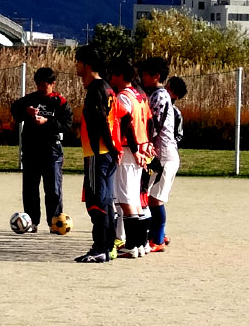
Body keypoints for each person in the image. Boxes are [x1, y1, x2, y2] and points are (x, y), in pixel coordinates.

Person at [10, 66, 73, 233]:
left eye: (45, 85)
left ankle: (55, 222)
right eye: (38, 84)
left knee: (53, 189)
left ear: (52, 84)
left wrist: (47, 122)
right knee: (30, 188)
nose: (41, 88)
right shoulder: (29, 99)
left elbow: (67, 124)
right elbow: (14, 111)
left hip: (52, 150)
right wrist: (26, 111)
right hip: (31, 149)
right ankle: (31, 222)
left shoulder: (60, 102)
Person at [74, 45, 120, 263]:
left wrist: (107, 147)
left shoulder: (96, 88)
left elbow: (100, 120)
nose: (75, 65)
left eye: (78, 61)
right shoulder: (108, 88)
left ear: (87, 64)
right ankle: (108, 246)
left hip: (98, 154)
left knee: (95, 201)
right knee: (105, 200)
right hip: (104, 153)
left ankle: (100, 247)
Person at [108, 61, 152, 259]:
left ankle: (132, 245)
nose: (111, 77)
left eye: (113, 73)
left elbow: (127, 125)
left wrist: (134, 150)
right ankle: (142, 244)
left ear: (120, 76)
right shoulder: (139, 95)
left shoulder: (123, 97)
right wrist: (147, 144)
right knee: (135, 199)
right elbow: (149, 121)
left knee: (126, 200)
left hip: (128, 150)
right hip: (140, 149)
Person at [140, 58, 180, 252]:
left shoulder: (160, 96)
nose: (142, 77)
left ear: (156, 76)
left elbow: (155, 125)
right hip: (159, 153)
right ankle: (157, 234)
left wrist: (143, 143)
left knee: (155, 199)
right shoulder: (155, 94)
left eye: (146, 74)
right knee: (149, 197)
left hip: (164, 154)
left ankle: (157, 239)